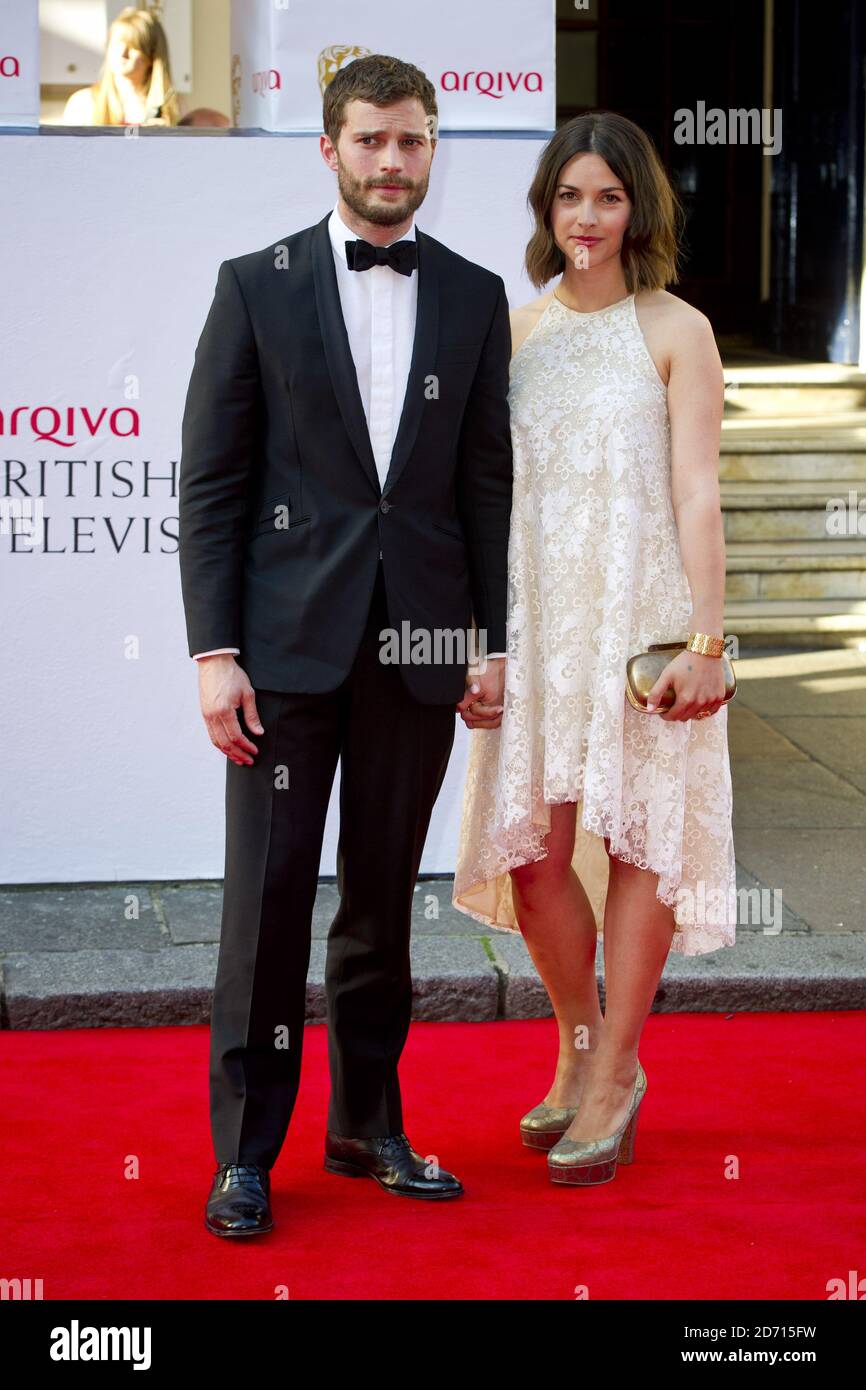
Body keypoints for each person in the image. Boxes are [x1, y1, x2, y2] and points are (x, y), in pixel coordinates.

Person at [178, 53, 512, 1237]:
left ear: (431, 148)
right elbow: (212, 484)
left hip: (418, 644)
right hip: (280, 653)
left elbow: (483, 484)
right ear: (327, 149)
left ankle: (368, 1122)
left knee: (378, 898)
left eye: (411, 140)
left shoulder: (473, 295)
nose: (390, 162)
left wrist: (488, 640)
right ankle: (244, 1153)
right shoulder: (254, 286)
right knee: (266, 901)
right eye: (370, 140)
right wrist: (214, 650)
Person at [452, 110, 737, 1187]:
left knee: (638, 846)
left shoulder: (677, 330)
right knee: (532, 853)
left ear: (637, 209)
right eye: (568, 197)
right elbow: (480, 497)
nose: (586, 217)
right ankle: (575, 1046)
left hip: (639, 616)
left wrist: (706, 641)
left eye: (607, 197)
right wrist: (480, 642)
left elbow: (698, 491)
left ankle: (615, 1072)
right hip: (536, 618)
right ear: (545, 208)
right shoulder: (512, 333)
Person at [62, 7, 185, 127]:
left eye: (132, 47)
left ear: (152, 56)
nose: (122, 53)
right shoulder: (83, 103)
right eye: (116, 44)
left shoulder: (173, 108)